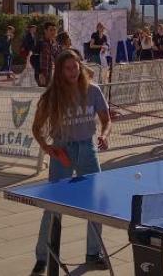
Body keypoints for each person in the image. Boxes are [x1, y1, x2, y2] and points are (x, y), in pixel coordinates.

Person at [30, 50, 112, 275]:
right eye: (67, 68)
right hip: (62, 151)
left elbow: (106, 120)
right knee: (53, 206)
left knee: (95, 203)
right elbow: (36, 128)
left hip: (87, 149)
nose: (73, 71)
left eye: (75, 67)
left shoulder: (93, 91)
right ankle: (43, 257)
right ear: (60, 71)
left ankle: (93, 252)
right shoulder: (52, 95)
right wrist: (47, 147)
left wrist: (104, 135)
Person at [36, 22, 59, 87]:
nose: (53, 32)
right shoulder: (42, 43)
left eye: (54, 30)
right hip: (43, 75)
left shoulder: (54, 43)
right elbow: (41, 61)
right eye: (51, 30)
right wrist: (42, 74)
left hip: (51, 73)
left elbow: (57, 57)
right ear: (45, 31)